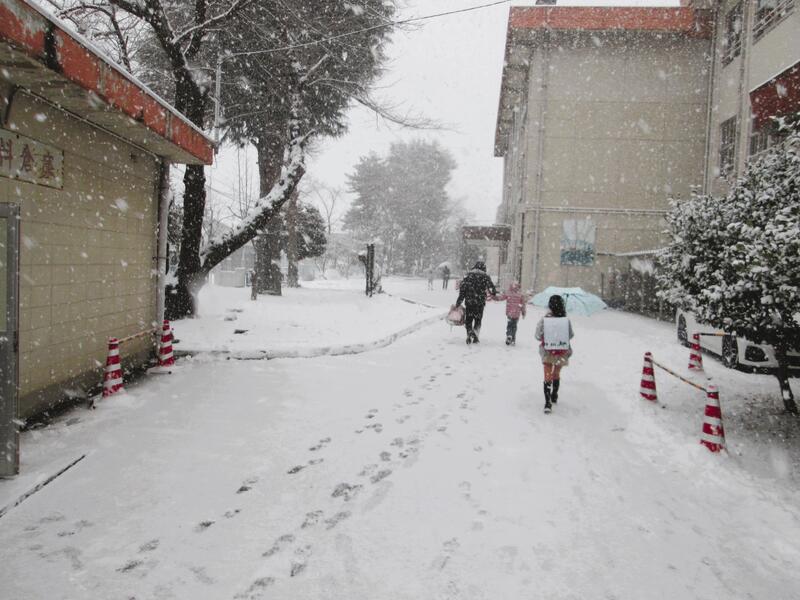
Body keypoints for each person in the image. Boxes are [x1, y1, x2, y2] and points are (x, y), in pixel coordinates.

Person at [534, 295, 574, 413]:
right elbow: (570, 335)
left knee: (547, 376)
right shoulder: (566, 320)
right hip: (561, 352)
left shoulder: (544, 320)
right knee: (556, 374)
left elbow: (537, 336)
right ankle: (554, 394)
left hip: (547, 352)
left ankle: (547, 403)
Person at [454, 261, 498, 344]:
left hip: (469, 302)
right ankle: (475, 334)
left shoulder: (468, 276)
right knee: (478, 319)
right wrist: (493, 293)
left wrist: (458, 302)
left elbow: (462, 291)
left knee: (469, 319)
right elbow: (492, 290)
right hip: (480, 303)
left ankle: (469, 332)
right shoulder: (485, 276)